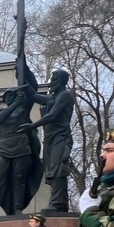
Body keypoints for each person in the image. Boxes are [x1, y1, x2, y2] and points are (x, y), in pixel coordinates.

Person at [0, 81, 44, 218]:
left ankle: (17, 209)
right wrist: (16, 103)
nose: (9, 98)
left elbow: (32, 86)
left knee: (19, 179)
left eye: (12, 95)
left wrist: (24, 85)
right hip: (3, 147)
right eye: (7, 97)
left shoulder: (23, 110)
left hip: (22, 147)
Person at [28, 69, 76, 212]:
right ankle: (61, 203)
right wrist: (24, 78)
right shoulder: (52, 98)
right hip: (50, 138)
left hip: (61, 137)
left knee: (57, 169)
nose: (51, 83)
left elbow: (53, 115)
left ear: (61, 81)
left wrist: (31, 126)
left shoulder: (65, 95)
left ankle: (56, 203)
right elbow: (34, 96)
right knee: (51, 170)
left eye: (54, 80)